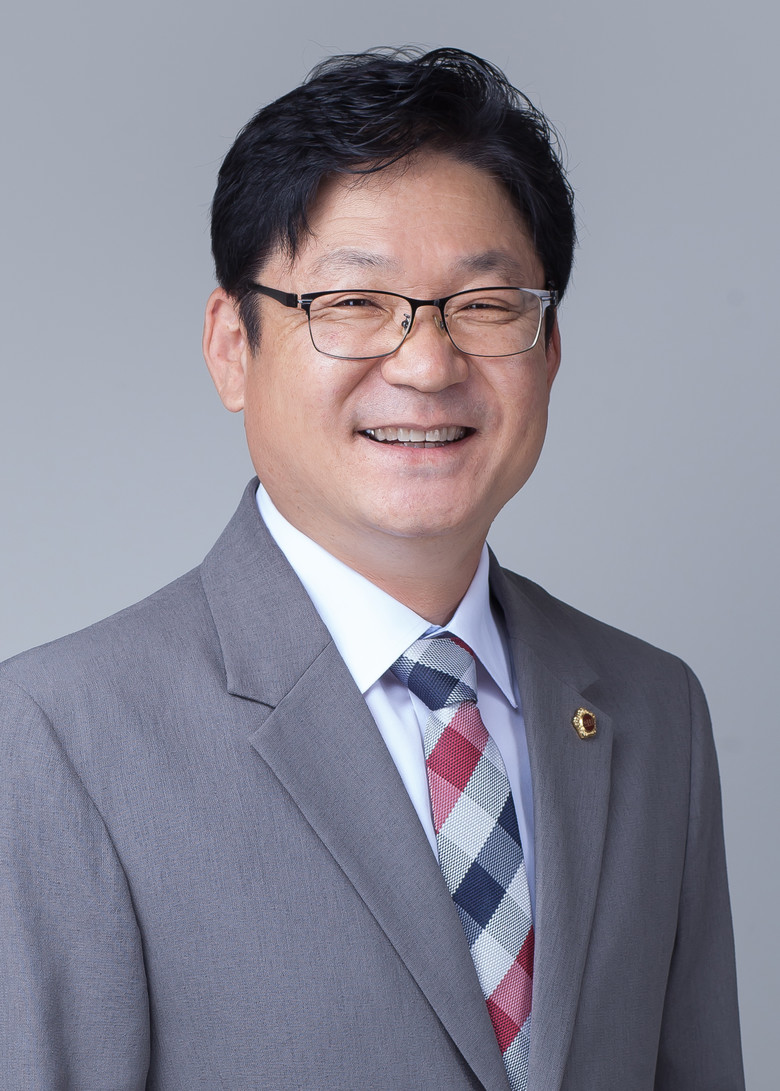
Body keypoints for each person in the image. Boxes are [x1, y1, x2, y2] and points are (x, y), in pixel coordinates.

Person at [0, 47, 744, 1090]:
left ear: (549, 350)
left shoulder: (653, 709)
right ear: (232, 345)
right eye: (353, 302)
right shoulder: (57, 737)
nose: (428, 363)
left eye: (485, 304)